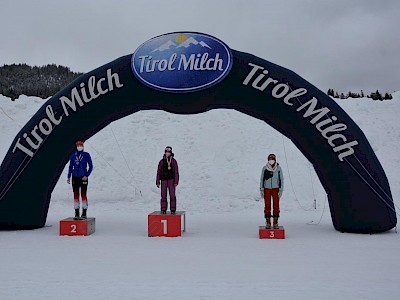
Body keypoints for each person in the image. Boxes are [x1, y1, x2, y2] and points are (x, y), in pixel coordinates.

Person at [67, 140, 93, 219]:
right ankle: (77, 212)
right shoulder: (73, 155)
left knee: (83, 194)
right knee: (75, 195)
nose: (79, 147)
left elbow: (91, 166)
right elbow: (70, 167)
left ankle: (84, 212)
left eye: (81, 145)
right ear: (76, 147)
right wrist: (68, 177)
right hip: (75, 177)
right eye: (78, 146)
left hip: (83, 177)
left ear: (83, 146)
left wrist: (87, 175)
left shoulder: (86, 155)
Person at [259, 153, 284, 228]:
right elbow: (262, 179)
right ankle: (268, 221)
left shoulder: (278, 168)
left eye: (272, 159)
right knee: (267, 205)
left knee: (276, 205)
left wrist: (281, 189)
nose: (271, 161)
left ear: (275, 160)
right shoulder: (264, 168)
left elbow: (281, 179)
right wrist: (261, 189)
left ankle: (275, 221)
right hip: (267, 189)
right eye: (270, 159)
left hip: (276, 189)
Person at [156, 146, 179, 215]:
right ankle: (163, 209)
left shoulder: (173, 161)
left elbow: (176, 172)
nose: (167, 153)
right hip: (163, 181)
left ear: (171, 152)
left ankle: (173, 209)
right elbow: (158, 172)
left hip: (171, 180)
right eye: (166, 151)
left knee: (172, 195)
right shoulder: (162, 161)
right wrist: (157, 181)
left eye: (168, 151)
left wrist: (176, 181)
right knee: (163, 195)